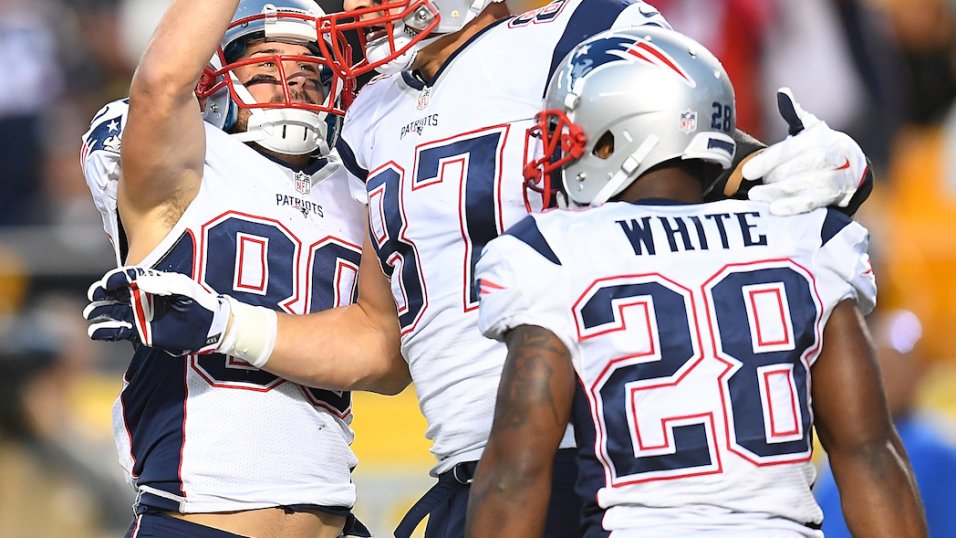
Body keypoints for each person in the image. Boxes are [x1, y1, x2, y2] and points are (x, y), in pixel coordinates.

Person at [85, 1, 878, 536]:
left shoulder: (575, 30)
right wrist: (233, 325)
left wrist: (798, 163)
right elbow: (378, 338)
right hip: (472, 468)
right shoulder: (362, 114)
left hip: (611, 452)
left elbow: (683, 149)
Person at [463, 26, 926, 537]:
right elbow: (869, 454)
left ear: (622, 135)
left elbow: (516, 472)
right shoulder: (804, 237)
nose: (561, 155)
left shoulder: (556, 251)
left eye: (571, 137)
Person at [79, 0, 382, 536]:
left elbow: (385, 359)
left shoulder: (359, 186)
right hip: (197, 516)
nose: (294, 81)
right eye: (265, 67)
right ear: (215, 82)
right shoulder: (189, 173)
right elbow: (161, 82)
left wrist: (225, 324)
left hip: (335, 513)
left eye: (310, 67)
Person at [814, 308, 956, 537]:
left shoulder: (940, 450)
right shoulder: (839, 444)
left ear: (918, 372)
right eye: (879, 362)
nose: (887, 375)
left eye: (899, 363)